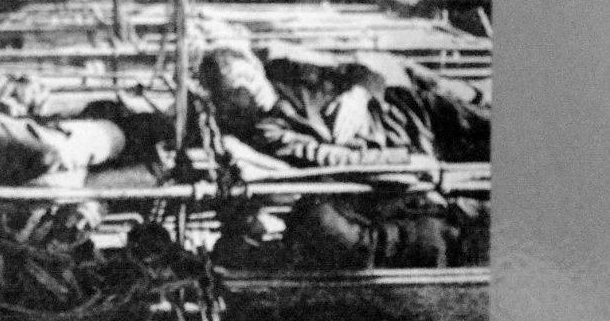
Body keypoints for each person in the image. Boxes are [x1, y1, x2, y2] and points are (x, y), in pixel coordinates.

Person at [200, 40, 489, 269]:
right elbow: (327, 158)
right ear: (226, 101)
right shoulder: (266, 131)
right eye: (235, 91)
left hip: (410, 114)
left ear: (256, 66)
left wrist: (358, 95)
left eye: (247, 76)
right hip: (403, 152)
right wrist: (403, 161)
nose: (249, 90)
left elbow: (362, 72)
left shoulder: (286, 71)